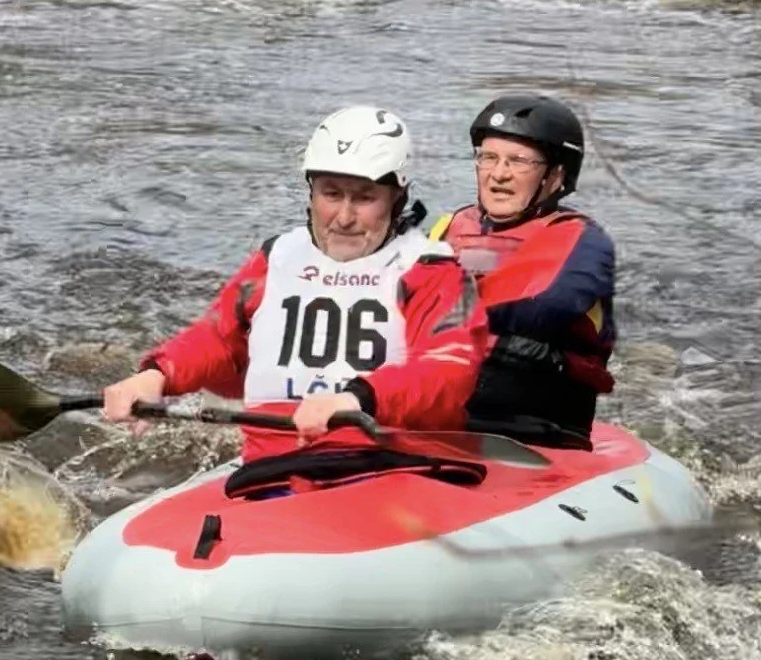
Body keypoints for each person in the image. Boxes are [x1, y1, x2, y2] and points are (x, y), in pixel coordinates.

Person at [102, 107, 487, 462]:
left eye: (365, 198)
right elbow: (220, 340)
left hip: (391, 463)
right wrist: (156, 375)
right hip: (272, 460)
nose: (345, 217)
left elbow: (448, 368)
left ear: (397, 199)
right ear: (311, 192)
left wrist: (360, 397)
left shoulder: (434, 270)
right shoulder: (277, 258)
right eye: (331, 194)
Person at [429, 94, 615, 446]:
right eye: (489, 158)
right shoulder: (448, 226)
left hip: (542, 428)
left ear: (556, 175)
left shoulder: (585, 240)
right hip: (446, 417)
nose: (499, 174)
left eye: (519, 161)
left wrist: (433, 304)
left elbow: (541, 309)